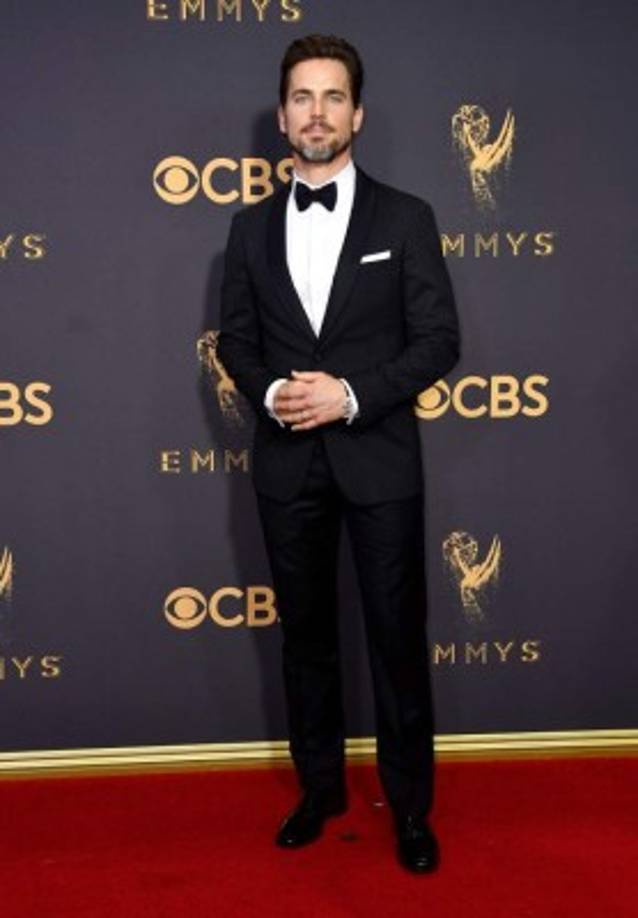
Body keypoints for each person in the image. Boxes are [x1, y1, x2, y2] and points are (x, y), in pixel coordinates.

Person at [218, 33, 460, 873]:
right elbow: (236, 343)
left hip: (379, 460)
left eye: (332, 97)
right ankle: (318, 789)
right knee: (307, 640)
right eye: (301, 97)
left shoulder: (407, 217)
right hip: (288, 466)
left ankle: (411, 809)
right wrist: (272, 395)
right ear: (282, 118)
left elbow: (439, 341)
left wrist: (351, 395)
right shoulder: (247, 230)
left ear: (356, 114)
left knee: (396, 640)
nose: (316, 113)